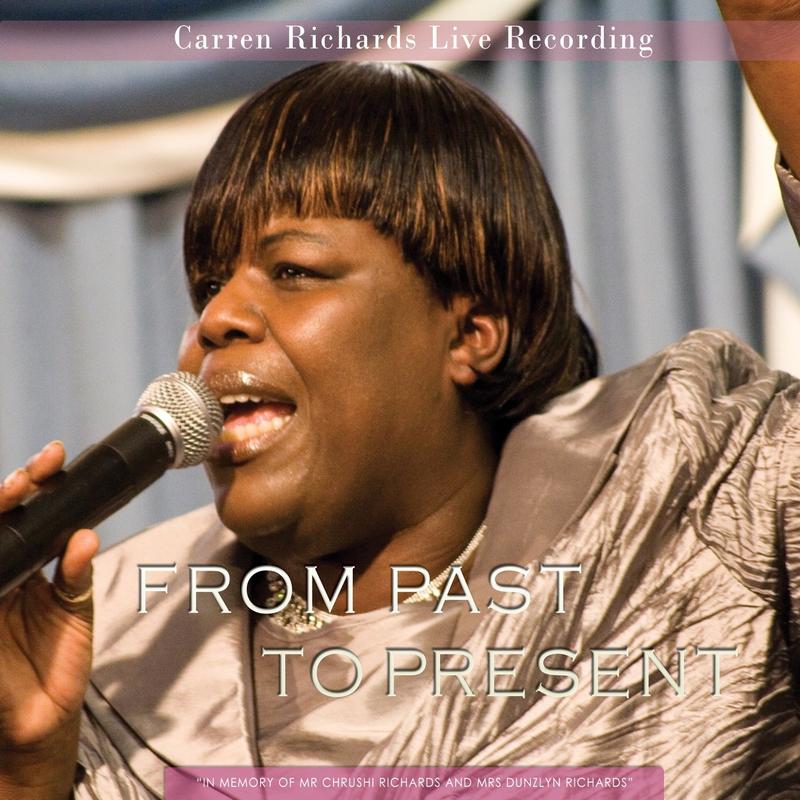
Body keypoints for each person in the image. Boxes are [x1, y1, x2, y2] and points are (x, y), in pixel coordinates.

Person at [1, 2, 799, 799]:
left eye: (293, 271)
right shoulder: (115, 654)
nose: (216, 319)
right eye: (208, 285)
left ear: (470, 334)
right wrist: (29, 770)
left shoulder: (691, 509)